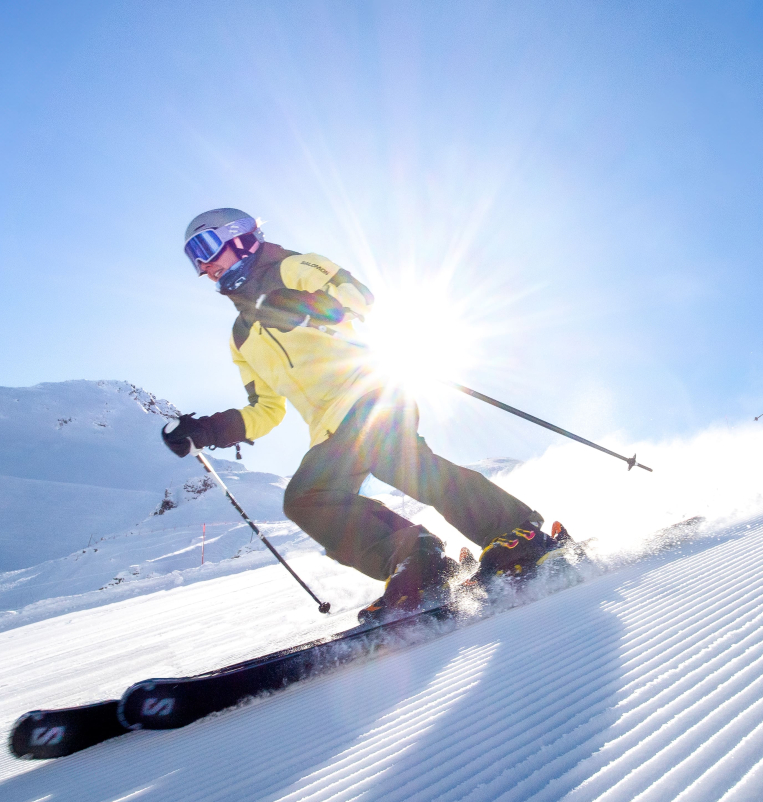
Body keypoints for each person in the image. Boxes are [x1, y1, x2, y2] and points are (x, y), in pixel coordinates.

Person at [160, 208, 565, 622]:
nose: (203, 266)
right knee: (306, 499)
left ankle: (517, 533)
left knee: (397, 461)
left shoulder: (295, 267)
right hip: (332, 430)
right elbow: (267, 410)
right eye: (194, 259)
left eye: (205, 248)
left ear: (240, 237)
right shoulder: (241, 336)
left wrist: (303, 305)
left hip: (373, 393)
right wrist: (209, 430)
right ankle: (417, 562)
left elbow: (357, 300)